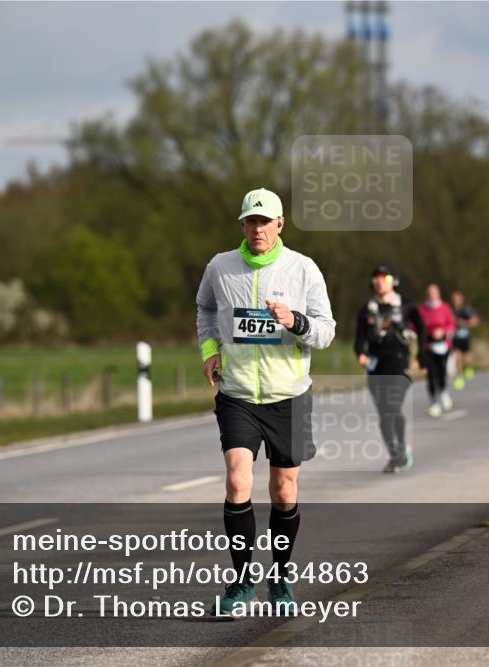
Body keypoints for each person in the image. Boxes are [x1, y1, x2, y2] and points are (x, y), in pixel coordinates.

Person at [196, 187, 335, 616]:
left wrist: (295, 322)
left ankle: (280, 576)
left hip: (288, 395)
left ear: (280, 225)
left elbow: (326, 331)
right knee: (238, 482)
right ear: (242, 225)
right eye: (250, 221)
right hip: (237, 393)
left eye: (264, 222)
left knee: (283, 490)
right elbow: (204, 309)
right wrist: (210, 350)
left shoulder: (303, 269)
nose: (257, 229)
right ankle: (240, 584)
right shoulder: (220, 267)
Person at [354, 266, 426, 473]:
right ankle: (394, 454)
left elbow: (421, 328)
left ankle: (401, 448)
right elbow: (358, 339)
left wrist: (422, 355)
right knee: (384, 414)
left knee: (393, 407)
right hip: (376, 366)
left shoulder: (406, 305)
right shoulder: (367, 309)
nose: (380, 281)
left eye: (384, 277)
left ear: (393, 280)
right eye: (376, 277)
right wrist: (361, 354)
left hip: (399, 363)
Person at [418, 284, 456, 417]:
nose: (432, 295)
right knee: (430, 375)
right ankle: (434, 403)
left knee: (441, 372)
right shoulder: (422, 310)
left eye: (434, 292)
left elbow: (452, 324)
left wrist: (443, 331)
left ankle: (444, 391)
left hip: (443, 346)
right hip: (428, 346)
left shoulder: (445, 307)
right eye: (430, 293)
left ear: (438, 293)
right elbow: (416, 326)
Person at [450, 290, 480, 391]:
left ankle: (467, 368)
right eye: (454, 299)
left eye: (457, 299)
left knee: (466, 357)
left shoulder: (466, 309)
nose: (455, 301)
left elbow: (475, 321)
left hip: (465, 337)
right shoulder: (450, 310)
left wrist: (464, 322)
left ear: (461, 299)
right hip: (455, 338)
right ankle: (459, 377)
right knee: (456, 357)